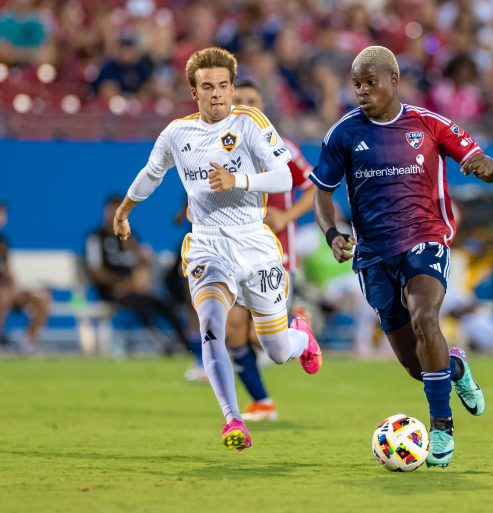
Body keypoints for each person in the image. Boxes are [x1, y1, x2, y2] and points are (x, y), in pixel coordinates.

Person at [112, 47, 322, 452]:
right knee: (212, 330)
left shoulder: (251, 123)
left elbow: (283, 178)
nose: (218, 95)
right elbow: (151, 174)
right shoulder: (177, 134)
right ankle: (233, 420)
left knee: (277, 350)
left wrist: (239, 181)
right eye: (207, 87)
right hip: (208, 247)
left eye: (223, 86)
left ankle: (300, 334)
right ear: (194, 91)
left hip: (257, 245)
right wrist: (125, 211)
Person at [311, 46, 493, 468]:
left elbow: (479, 158)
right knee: (418, 367)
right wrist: (331, 233)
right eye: (356, 83)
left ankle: (442, 427)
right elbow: (321, 191)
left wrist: (486, 166)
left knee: (426, 317)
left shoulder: (428, 123)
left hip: (425, 238)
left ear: (393, 81)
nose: (362, 91)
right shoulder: (343, 133)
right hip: (373, 255)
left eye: (370, 82)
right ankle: (454, 368)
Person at [223, 79, 317, 422]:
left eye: (253, 100)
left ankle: (301, 336)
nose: (246, 106)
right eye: (240, 100)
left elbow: (315, 188)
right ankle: (263, 401)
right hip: (235, 253)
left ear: (262, 106)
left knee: (258, 337)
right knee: (233, 327)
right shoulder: (222, 147)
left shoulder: (282, 147)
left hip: (277, 255)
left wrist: (286, 215)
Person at [86, 195, 190, 354]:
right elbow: (96, 272)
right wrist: (121, 283)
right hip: (112, 291)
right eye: (112, 211)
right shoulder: (95, 238)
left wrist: (142, 261)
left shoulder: (129, 236)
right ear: (105, 212)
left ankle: (186, 345)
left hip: (134, 289)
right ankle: (161, 343)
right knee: (144, 306)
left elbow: (143, 264)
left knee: (166, 306)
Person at [0, 201, 51, 353]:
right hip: (2, 293)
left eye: (2, 213)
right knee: (2, 296)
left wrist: (15, 286)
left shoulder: (3, 242)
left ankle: (28, 343)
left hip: (9, 291)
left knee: (42, 298)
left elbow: (8, 271)